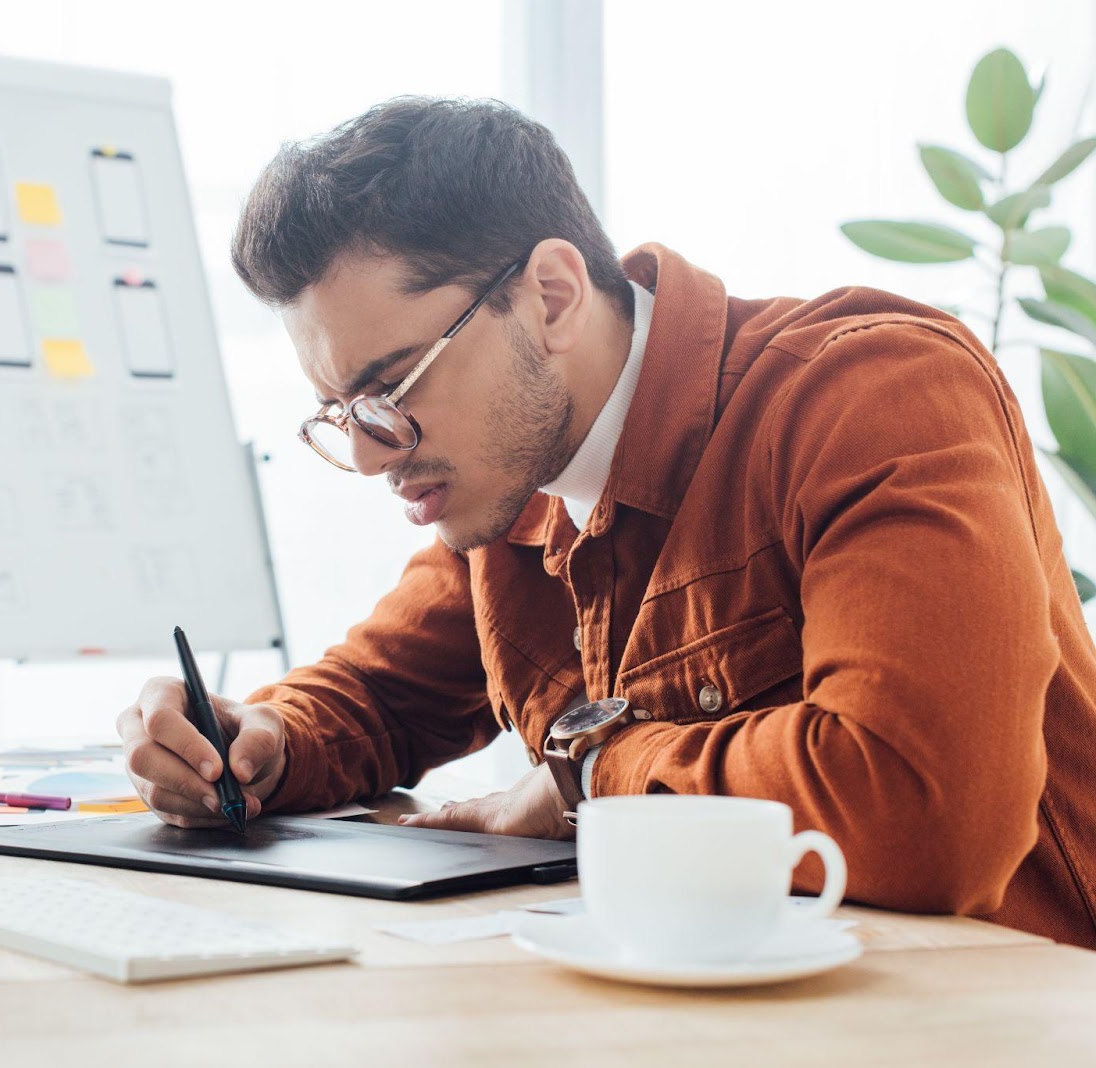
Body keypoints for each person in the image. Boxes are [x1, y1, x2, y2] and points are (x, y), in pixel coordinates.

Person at [114, 97, 1096, 948]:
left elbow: (926, 812)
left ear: (548, 295)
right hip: (702, 1007)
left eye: (390, 390)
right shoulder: (508, 485)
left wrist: (591, 781)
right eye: (340, 415)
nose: (369, 454)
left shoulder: (870, 395)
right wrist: (257, 742)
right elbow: (380, 697)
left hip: (988, 1014)